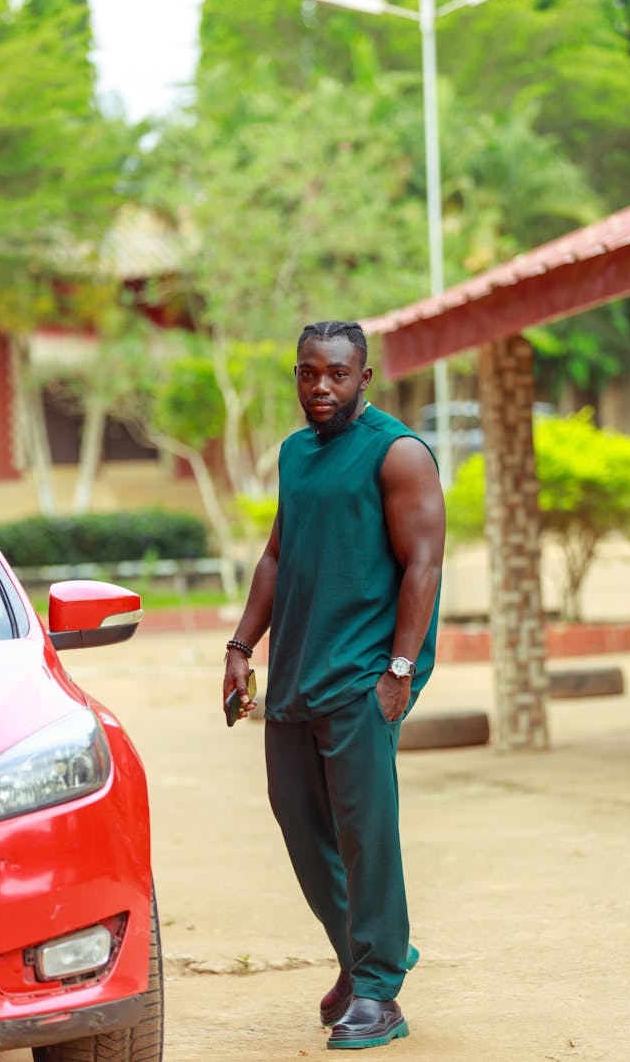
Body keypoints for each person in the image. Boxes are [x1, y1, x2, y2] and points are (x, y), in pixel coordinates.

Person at [222, 320, 445, 1051]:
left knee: (364, 831)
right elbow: (277, 557)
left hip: (362, 673)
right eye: (308, 373)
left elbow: (423, 565)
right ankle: (360, 954)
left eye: (338, 374)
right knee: (299, 818)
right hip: (296, 669)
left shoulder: (398, 452)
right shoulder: (295, 452)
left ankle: (379, 987)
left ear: (364, 377)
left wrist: (400, 673)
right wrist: (240, 646)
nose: (321, 387)